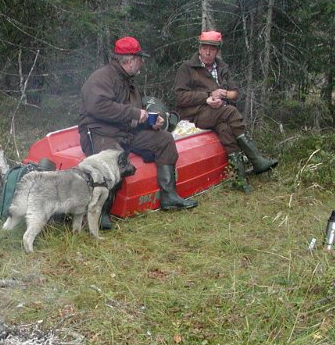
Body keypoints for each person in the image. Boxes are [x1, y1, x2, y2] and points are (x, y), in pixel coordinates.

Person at [79, 36, 198, 228]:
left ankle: (169, 196)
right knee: (114, 159)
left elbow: (135, 111)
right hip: (100, 133)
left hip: (125, 132)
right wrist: (136, 114)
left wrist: (151, 122)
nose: (142, 62)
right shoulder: (102, 78)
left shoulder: (128, 81)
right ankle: (100, 213)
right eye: (140, 58)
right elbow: (99, 107)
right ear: (130, 60)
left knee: (164, 139)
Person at [174, 31, 277, 192]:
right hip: (195, 115)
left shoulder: (222, 67)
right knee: (230, 112)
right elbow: (180, 97)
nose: (208, 52)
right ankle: (256, 159)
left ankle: (239, 179)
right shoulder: (187, 68)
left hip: (217, 112)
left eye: (212, 49)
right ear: (199, 48)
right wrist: (207, 97)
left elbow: (235, 93)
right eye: (204, 48)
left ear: (217, 51)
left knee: (226, 130)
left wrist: (222, 94)